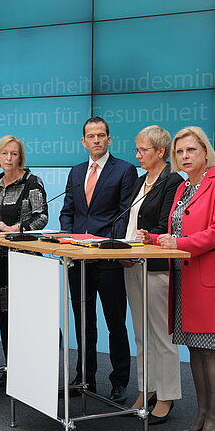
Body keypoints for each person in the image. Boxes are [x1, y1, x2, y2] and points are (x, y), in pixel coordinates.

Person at [138, 126, 215, 431]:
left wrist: (176, 242)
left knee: (211, 353)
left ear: (206, 152)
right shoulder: (184, 188)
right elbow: (175, 232)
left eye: (191, 150)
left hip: (211, 281)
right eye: (180, 152)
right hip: (185, 280)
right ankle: (200, 414)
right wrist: (153, 238)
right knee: (196, 352)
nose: (185, 156)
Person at [59, 116, 137, 404]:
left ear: (109, 139)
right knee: (83, 322)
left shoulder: (125, 170)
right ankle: (84, 376)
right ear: (83, 141)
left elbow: (124, 213)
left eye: (101, 135)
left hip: (108, 259)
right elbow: (68, 211)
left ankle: (119, 382)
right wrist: (70, 239)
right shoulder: (76, 172)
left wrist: (102, 245)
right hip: (78, 259)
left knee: (115, 323)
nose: (96, 140)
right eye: (91, 136)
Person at [0, 135, 48, 387]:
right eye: (4, 154)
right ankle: (10, 367)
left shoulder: (32, 183)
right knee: (3, 315)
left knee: (23, 317)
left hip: (22, 260)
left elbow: (40, 218)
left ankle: (30, 370)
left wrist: (11, 227)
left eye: (14, 154)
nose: (9, 158)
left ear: (20, 157)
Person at [120, 125, 183, 423]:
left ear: (161, 151)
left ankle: (167, 396)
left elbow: (166, 226)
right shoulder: (140, 180)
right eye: (136, 149)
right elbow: (129, 220)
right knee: (141, 335)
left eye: (142, 150)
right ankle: (147, 390)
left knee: (161, 335)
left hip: (156, 267)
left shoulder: (173, 181)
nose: (137, 155)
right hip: (131, 262)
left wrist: (145, 240)